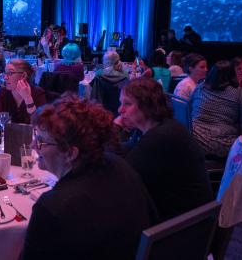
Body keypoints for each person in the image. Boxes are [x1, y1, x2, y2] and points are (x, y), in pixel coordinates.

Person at [21, 94, 157, 259]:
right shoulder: (120, 165)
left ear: (71, 153)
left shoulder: (52, 207)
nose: (33, 145)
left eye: (41, 141)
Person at [118, 78, 212, 221]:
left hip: (182, 228)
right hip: (179, 216)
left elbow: (122, 174)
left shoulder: (161, 137)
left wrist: (115, 130)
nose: (120, 110)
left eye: (127, 104)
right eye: (121, 103)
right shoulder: (155, 126)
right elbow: (130, 150)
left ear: (147, 107)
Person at [191, 60, 242, 158]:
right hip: (220, 144)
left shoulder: (200, 87)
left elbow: (189, 109)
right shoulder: (239, 94)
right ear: (232, 75)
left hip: (193, 139)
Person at [0, 59, 46, 124]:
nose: (5, 78)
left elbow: (41, 125)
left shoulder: (38, 93)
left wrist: (28, 98)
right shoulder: (3, 92)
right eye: (5, 73)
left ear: (23, 76)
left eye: (10, 73)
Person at [91, 51, 128, 115]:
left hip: (103, 110)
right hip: (120, 110)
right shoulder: (125, 75)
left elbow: (94, 95)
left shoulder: (99, 74)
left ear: (106, 62)